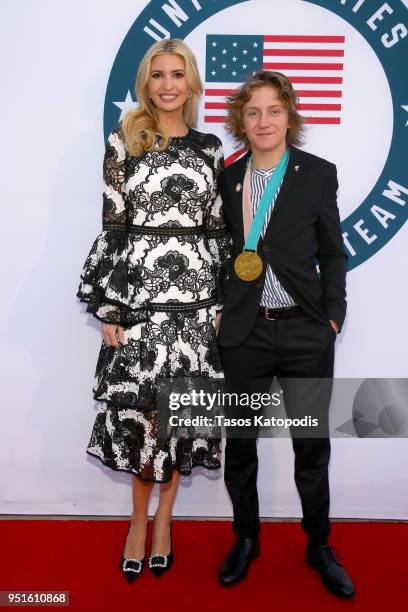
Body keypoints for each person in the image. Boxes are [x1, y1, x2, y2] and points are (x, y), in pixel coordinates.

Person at [76, 38, 231, 582]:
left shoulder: (210, 147)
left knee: (179, 418)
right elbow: (114, 224)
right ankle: (137, 522)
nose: (168, 85)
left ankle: (165, 520)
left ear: (191, 84)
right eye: (158, 75)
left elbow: (215, 229)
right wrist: (111, 304)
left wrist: (220, 301)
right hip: (139, 303)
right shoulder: (124, 141)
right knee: (142, 418)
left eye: (178, 74)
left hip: (195, 308)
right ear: (147, 82)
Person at [216, 70, 355, 598]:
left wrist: (333, 315)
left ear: (289, 116)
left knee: (311, 448)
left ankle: (319, 544)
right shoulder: (227, 176)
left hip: (304, 333)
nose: (263, 120)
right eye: (253, 112)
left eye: (274, 110)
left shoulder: (318, 174)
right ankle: (245, 539)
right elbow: (220, 253)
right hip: (245, 335)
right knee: (242, 446)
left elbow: (332, 251)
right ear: (240, 121)